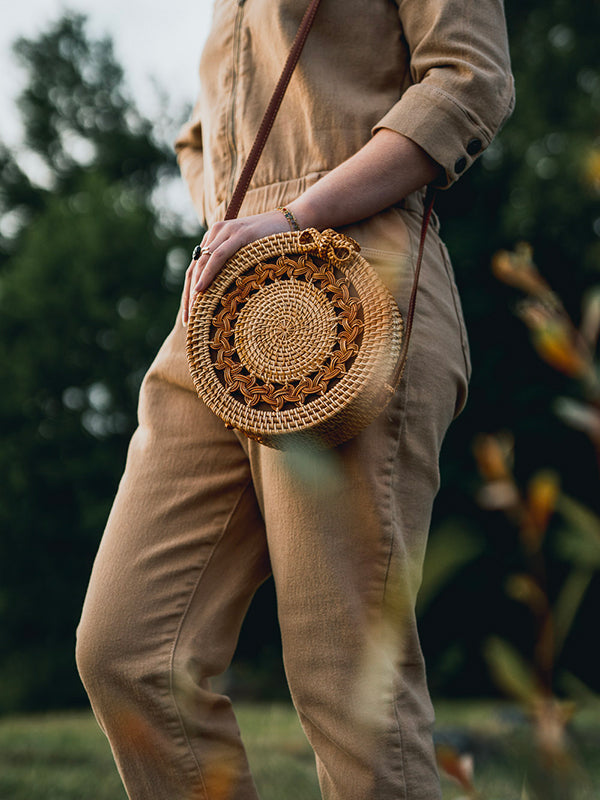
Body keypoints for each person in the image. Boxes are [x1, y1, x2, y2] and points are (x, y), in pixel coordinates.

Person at [76, 1, 514, 798]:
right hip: (228, 304)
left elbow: (468, 76)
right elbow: (203, 133)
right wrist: (235, 224)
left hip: (359, 278)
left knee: (346, 676)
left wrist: (298, 210)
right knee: (129, 649)